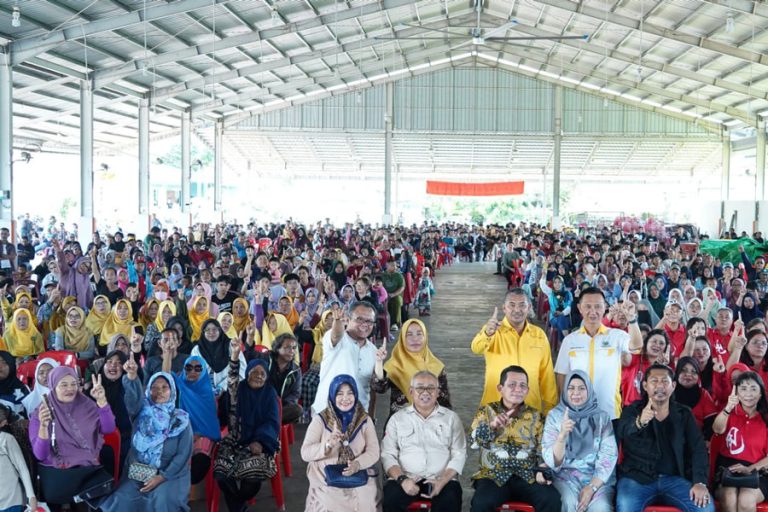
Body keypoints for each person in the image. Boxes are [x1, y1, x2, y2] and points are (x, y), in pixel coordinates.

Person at [615, 363, 714, 512]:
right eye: (654, 381)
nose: (660, 386)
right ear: (645, 385)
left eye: (665, 381)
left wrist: (700, 482)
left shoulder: (684, 414)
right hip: (636, 479)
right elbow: (622, 431)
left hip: (675, 479)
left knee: (705, 507)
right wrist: (639, 422)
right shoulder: (632, 410)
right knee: (625, 507)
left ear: (673, 386)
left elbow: (698, 449)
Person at [100, 358, 193, 512]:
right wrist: (131, 376)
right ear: (148, 390)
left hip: (169, 474)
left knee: (162, 500)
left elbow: (183, 455)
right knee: (122, 500)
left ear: (173, 391)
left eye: (165, 387)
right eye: (154, 387)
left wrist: (161, 477)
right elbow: (132, 400)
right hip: (140, 471)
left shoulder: (181, 420)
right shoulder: (141, 413)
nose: (160, 391)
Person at [469, 365, 562, 512]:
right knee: (482, 502)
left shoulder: (537, 417)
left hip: (527, 475)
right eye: (512, 385)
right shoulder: (487, 411)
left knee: (551, 499)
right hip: (493, 475)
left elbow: (543, 450)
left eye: (522, 385)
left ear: (527, 390)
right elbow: (473, 442)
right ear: (500, 388)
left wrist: (542, 470)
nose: (518, 389)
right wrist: (491, 426)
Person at [29, 367, 115, 509]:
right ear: (53, 386)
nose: (70, 389)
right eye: (64, 385)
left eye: (74, 384)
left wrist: (102, 401)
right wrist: (43, 427)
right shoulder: (41, 413)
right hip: (56, 472)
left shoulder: (87, 405)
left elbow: (108, 428)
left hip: (86, 469)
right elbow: (40, 455)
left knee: (89, 503)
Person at [381, 370, 466, 512]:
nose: (425, 392)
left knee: (451, 501)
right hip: (406, 478)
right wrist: (402, 480)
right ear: (411, 391)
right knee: (391, 501)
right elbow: (387, 454)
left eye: (431, 388)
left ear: (438, 392)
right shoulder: (397, 419)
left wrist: (442, 481)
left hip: (442, 480)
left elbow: (459, 453)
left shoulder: (451, 418)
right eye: (420, 388)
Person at [555, 287, 643, 420]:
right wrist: (564, 407)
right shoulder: (569, 341)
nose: (593, 311)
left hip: (610, 414)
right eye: (588, 306)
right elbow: (562, 375)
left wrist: (631, 318)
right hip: (577, 415)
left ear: (605, 308)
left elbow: (636, 346)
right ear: (579, 308)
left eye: (597, 306)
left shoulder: (617, 336)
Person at [216, 339, 280, 512]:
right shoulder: (239, 389)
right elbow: (232, 377)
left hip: (260, 443)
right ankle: (239, 508)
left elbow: (272, 422)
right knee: (221, 475)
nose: (259, 375)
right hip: (235, 440)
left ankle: (237, 504)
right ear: (248, 373)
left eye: (262, 373)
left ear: (266, 377)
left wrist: (260, 441)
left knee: (251, 481)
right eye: (254, 372)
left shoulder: (269, 394)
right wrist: (235, 355)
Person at [301, 374, 380, 512]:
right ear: (332, 396)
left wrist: (357, 464)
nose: (345, 398)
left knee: (367, 503)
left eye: (350, 393)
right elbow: (305, 453)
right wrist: (327, 444)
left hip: (358, 472)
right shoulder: (321, 420)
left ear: (355, 395)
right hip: (325, 474)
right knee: (329, 505)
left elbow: (373, 451)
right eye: (339, 393)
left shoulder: (364, 419)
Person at [541, 370, 617, 512]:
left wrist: (591, 488)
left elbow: (608, 456)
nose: (576, 393)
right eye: (571, 388)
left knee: (602, 508)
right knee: (569, 503)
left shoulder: (602, 417)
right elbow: (552, 461)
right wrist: (562, 435)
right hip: (564, 477)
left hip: (596, 479)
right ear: (565, 391)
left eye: (582, 388)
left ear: (589, 390)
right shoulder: (555, 416)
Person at [471, 289, 557, 412]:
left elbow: (547, 376)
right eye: (512, 305)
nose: (517, 310)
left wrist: (550, 410)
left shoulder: (539, 335)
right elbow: (476, 348)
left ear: (529, 307)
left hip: (530, 411)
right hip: (495, 409)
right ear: (504, 308)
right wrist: (487, 333)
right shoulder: (493, 331)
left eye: (522, 305)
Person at [373, 318, 452, 421]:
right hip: (400, 427)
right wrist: (379, 362)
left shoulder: (436, 366)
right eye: (409, 335)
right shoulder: (395, 364)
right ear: (402, 339)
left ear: (425, 337)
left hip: (430, 426)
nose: (415, 339)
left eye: (419, 334)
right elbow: (379, 388)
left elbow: (445, 402)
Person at [712, 371, 768, 512]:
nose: (748, 394)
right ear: (736, 393)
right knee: (729, 497)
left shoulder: (765, 419)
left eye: (753, 389)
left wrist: (749, 469)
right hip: (727, 469)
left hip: (757, 471)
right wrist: (728, 408)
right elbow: (717, 430)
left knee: (746, 499)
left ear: (760, 393)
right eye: (743, 389)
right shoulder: (729, 412)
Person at [311, 301, 378, 415]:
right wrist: (337, 321)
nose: (365, 324)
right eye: (359, 319)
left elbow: (371, 388)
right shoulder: (335, 338)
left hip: (358, 418)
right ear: (348, 318)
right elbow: (336, 335)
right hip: (327, 414)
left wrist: (371, 415)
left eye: (369, 321)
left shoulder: (373, 351)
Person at [170, 355, 221, 485]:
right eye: (189, 367)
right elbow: (166, 377)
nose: (192, 372)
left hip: (203, 435)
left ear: (203, 371)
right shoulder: (175, 388)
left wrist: (196, 434)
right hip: (179, 435)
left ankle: (176, 487)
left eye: (198, 368)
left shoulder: (207, 393)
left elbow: (210, 424)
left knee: (199, 466)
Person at [0, 403, 37, 512]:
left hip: (11, 501)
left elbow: (22, 468)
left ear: (3, 423)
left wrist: (31, 496)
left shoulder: (6, 439)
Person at [673, 357, 719, 431]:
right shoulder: (668, 393)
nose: (688, 374)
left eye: (694, 372)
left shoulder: (703, 394)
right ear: (677, 373)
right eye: (683, 370)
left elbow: (711, 422)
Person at [267, 333, 303, 424]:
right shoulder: (267, 361)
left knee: (297, 410)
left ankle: (268, 421)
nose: (292, 351)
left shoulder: (296, 370)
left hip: (281, 408)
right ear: (277, 348)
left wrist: (279, 404)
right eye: (287, 347)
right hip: (263, 403)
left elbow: (295, 394)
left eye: (294, 348)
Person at [0, 351, 29, 417]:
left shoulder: (21, 390)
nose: (0, 365)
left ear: (11, 365)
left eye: (3, 362)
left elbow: (28, 415)